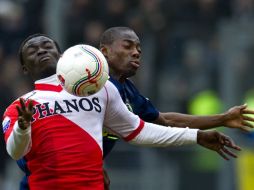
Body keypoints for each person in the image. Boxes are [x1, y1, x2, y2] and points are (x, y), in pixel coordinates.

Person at [2, 34, 241, 190]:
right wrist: (23, 126)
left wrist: (196, 136)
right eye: (32, 50)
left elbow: (139, 131)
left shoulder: (101, 88)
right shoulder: (19, 107)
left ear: (63, 55)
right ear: (24, 67)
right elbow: (15, 151)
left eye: (47, 46)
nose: (41, 50)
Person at [99, 26, 254, 158]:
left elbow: (166, 121)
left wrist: (223, 119)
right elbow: (139, 132)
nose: (136, 52)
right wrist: (197, 136)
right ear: (105, 51)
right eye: (127, 46)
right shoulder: (93, 86)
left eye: (138, 48)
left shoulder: (127, 90)